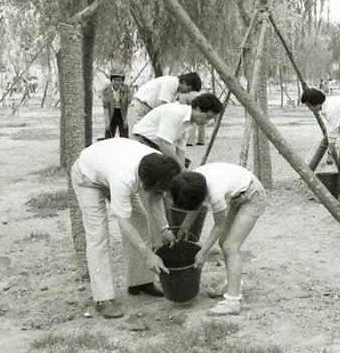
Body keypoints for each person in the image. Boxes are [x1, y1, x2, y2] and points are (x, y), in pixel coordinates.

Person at [70, 138, 182, 318]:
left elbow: (155, 198)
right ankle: (103, 299)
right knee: (98, 235)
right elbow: (124, 224)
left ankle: (140, 282)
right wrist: (148, 254)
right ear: (144, 183)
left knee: (140, 218)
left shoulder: (161, 165)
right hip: (88, 176)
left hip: (109, 164)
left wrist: (164, 228)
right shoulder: (124, 179)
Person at [170, 162, 266, 315]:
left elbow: (219, 225)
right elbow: (195, 204)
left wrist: (203, 251)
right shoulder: (191, 181)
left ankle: (233, 301)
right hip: (238, 194)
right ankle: (233, 284)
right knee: (223, 242)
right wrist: (185, 226)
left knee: (230, 247)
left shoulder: (215, 192)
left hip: (252, 195)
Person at [132, 93, 222, 169]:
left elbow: (180, 149)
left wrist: (182, 169)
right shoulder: (176, 113)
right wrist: (181, 169)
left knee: (182, 165)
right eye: (208, 117)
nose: (207, 121)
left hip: (157, 144)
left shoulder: (190, 122)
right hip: (142, 141)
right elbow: (165, 144)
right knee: (164, 169)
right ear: (198, 109)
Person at [128, 72, 202, 128]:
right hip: (140, 107)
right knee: (136, 140)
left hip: (148, 110)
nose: (187, 93)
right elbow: (164, 106)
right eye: (188, 89)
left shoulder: (175, 92)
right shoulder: (170, 82)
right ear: (184, 82)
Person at [101, 67, 133, 138]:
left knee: (124, 139)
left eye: (119, 80)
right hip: (111, 114)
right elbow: (105, 107)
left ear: (122, 81)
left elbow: (130, 105)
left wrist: (126, 119)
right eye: (115, 80)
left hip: (123, 114)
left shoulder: (127, 89)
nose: (117, 82)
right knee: (108, 138)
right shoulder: (106, 90)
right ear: (111, 80)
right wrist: (107, 122)